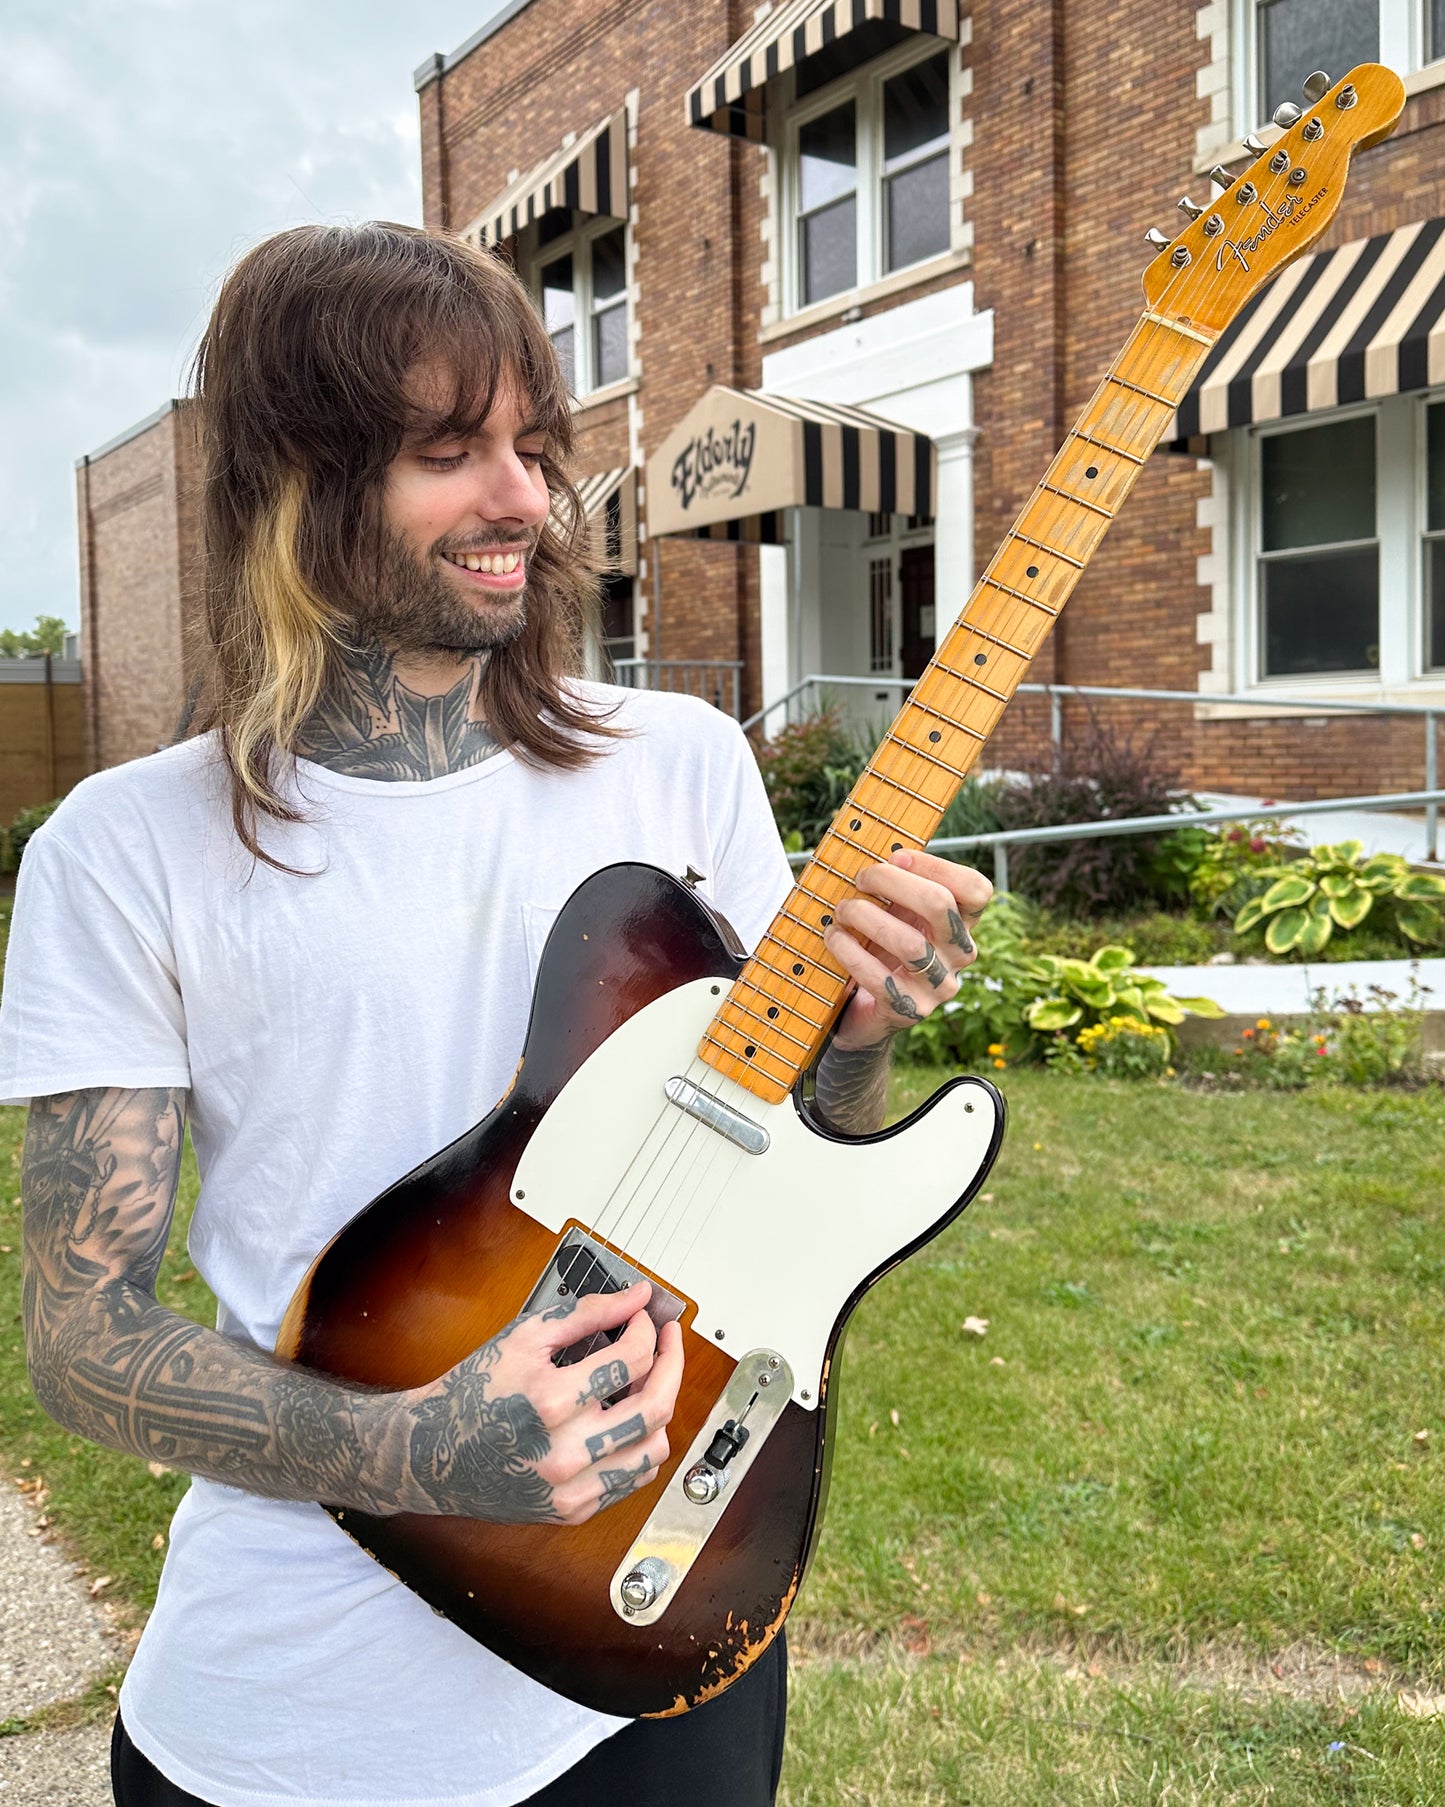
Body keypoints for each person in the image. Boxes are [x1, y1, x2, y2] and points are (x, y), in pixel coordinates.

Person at [1, 223, 991, 1807]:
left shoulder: (677, 763)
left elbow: (792, 1170)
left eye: (535, 446)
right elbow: (81, 1335)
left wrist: (859, 1034)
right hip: (301, 1717)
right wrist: (415, 1454)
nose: (522, 499)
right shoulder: (126, 851)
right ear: (290, 482)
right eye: (447, 451)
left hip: (663, 1627)